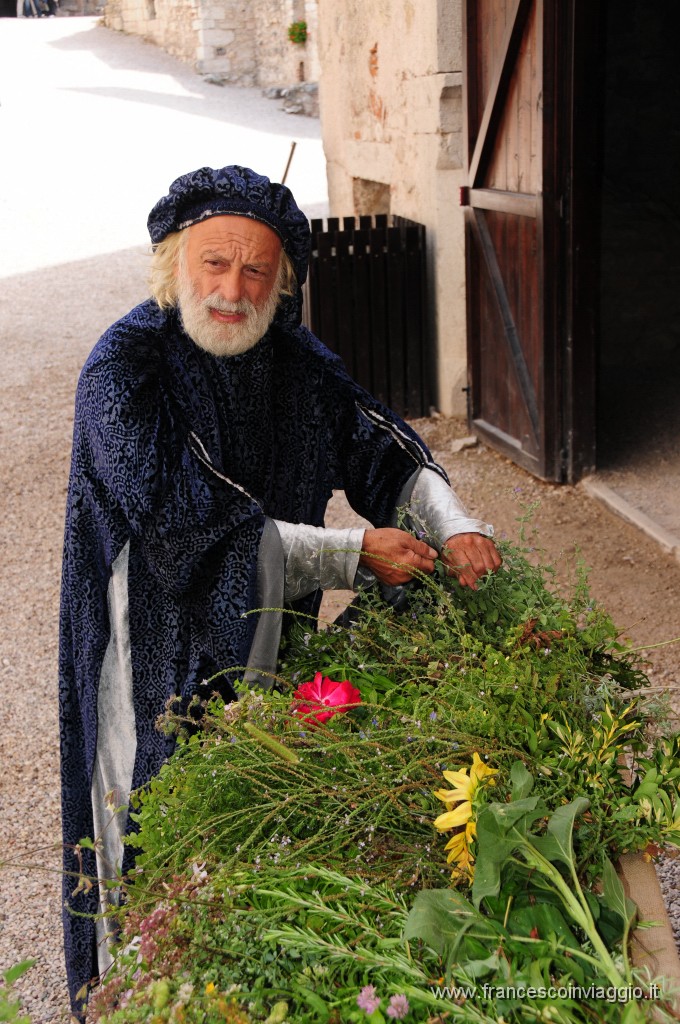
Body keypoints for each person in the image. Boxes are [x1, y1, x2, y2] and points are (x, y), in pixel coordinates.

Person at [58, 164, 501, 1013]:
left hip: (264, 637)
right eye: (214, 263)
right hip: (144, 643)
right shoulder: (123, 369)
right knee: (147, 835)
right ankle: (130, 999)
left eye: (256, 270)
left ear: (284, 281)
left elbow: (382, 446)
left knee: (251, 820)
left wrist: (455, 524)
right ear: (174, 265)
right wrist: (351, 553)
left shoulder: (298, 363)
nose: (232, 289)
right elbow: (187, 519)